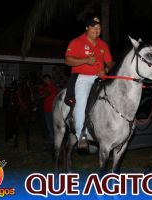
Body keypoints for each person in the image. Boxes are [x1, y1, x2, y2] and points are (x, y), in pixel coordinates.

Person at [65, 16, 113, 151]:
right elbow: (68, 61)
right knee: (82, 102)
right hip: (83, 78)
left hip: (101, 78)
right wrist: (85, 60)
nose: (97, 30)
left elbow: (110, 62)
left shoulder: (103, 45)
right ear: (87, 28)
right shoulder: (76, 42)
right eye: (94, 27)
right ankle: (82, 135)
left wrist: (107, 69)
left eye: (99, 28)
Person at [39, 74, 57, 151]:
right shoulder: (45, 87)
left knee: (50, 127)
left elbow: (46, 94)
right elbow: (41, 93)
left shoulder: (52, 87)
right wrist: (41, 89)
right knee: (49, 127)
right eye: (44, 80)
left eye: (46, 79)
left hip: (51, 110)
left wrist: (39, 96)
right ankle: (51, 141)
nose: (45, 81)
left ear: (49, 79)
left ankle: (51, 143)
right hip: (46, 110)